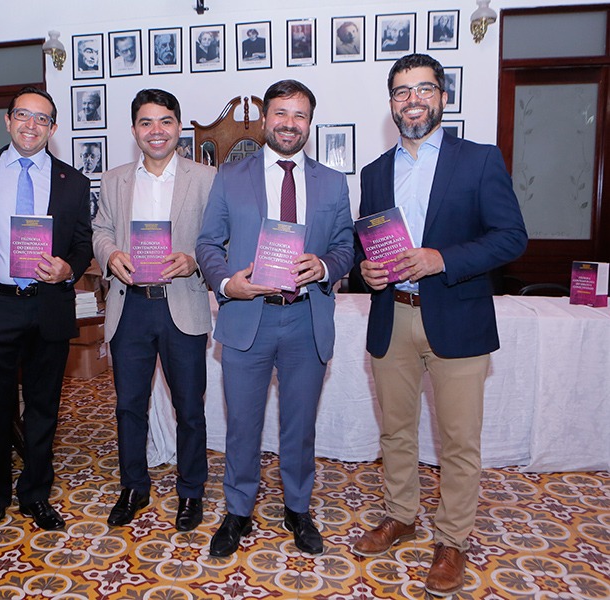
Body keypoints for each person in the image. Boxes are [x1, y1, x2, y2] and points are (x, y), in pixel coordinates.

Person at [352, 54, 527, 598]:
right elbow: (368, 243)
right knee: (395, 431)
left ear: (443, 97)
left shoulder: (479, 160)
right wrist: (365, 271)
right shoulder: (374, 172)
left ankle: (452, 540)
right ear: (391, 103)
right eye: (402, 91)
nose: (413, 100)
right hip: (392, 315)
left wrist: (441, 259)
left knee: (458, 439)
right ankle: (400, 515)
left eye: (424, 89)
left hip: (457, 316)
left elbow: (511, 237)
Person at [195, 80, 354, 557]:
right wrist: (228, 283)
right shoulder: (230, 176)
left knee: (300, 425)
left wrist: (324, 266)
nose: (289, 123)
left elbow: (345, 246)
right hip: (249, 317)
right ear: (265, 119)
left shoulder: (332, 182)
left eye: (299, 115)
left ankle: (298, 509)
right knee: (242, 424)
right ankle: (237, 511)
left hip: (306, 319)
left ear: (310, 123)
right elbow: (207, 243)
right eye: (281, 113)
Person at [0, 87, 93, 543]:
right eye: (23, 115)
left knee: (43, 409)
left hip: (47, 305)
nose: (31, 125)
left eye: (42, 119)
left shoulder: (74, 181)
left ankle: (35, 493)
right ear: (8, 120)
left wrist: (69, 268)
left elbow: (83, 243)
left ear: (53, 128)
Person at [92, 89, 216, 531]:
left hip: (182, 305)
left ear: (178, 127)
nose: (156, 131)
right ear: (134, 130)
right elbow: (101, 230)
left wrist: (194, 260)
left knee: (189, 408)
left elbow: (219, 237)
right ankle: (133, 487)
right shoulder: (114, 180)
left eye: (165, 121)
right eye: (146, 123)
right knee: (129, 406)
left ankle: (191, 490)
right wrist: (110, 255)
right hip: (130, 308)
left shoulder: (206, 178)